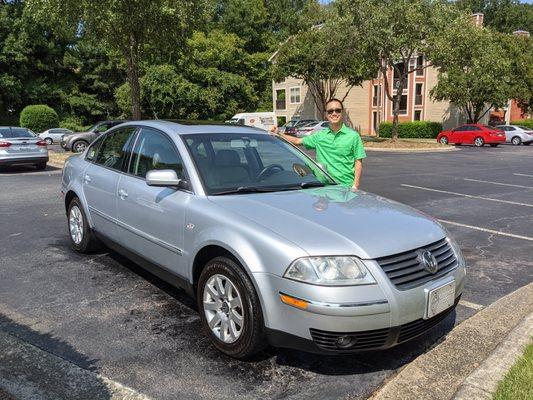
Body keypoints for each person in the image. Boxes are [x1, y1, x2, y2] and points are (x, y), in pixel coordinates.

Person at [270, 99, 366, 190]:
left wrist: (355, 185)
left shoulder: (353, 136)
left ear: (342, 112)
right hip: (324, 188)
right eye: (330, 111)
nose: (334, 113)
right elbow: (297, 141)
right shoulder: (320, 136)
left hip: (346, 188)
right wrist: (278, 133)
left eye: (337, 110)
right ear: (326, 115)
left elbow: (358, 162)